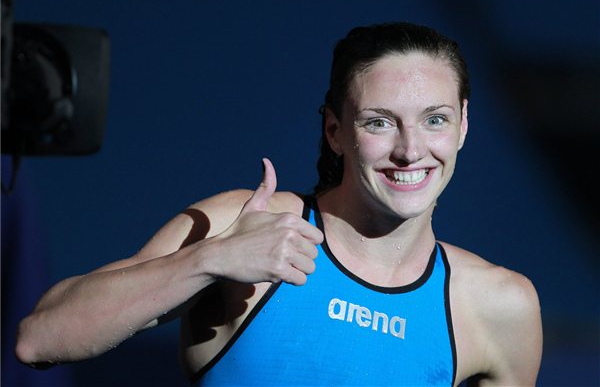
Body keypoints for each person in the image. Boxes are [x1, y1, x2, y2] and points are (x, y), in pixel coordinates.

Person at [15, 22, 542, 386]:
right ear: (335, 131)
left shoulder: (498, 305)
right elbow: (39, 339)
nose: (410, 150)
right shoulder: (246, 226)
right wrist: (207, 260)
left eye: (435, 119)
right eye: (380, 122)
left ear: (463, 125)